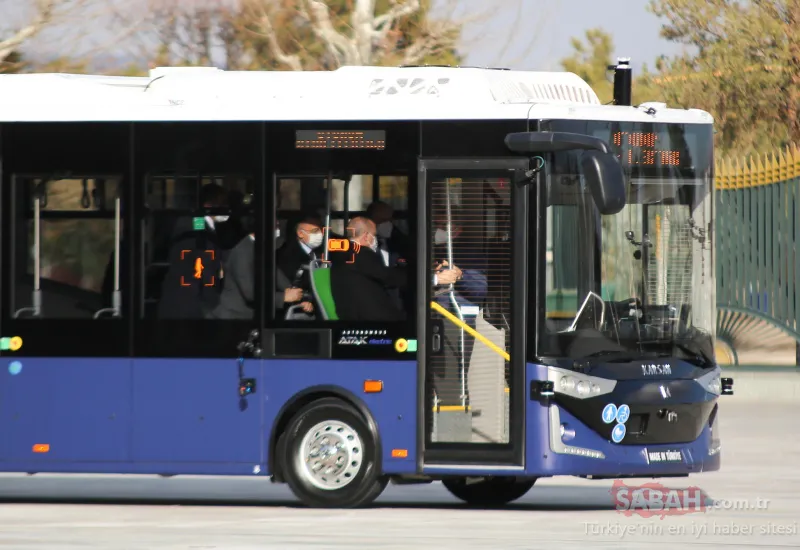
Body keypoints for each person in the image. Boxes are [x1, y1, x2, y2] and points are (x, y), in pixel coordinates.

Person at [207, 217, 311, 319]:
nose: (278, 231)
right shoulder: (243, 251)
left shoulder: (262, 248)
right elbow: (250, 293)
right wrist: (283, 297)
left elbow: (277, 276)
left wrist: (299, 299)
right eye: (275, 227)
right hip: (235, 316)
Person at [156, 183, 231, 319]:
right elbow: (205, 270)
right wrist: (214, 307)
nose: (227, 210)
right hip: (192, 306)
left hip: (180, 302)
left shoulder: (193, 224)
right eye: (223, 205)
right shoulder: (199, 232)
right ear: (208, 206)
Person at [276, 213, 324, 296]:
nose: (320, 234)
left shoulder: (321, 252)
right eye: (315, 231)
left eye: (321, 230)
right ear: (300, 233)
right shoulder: (286, 256)